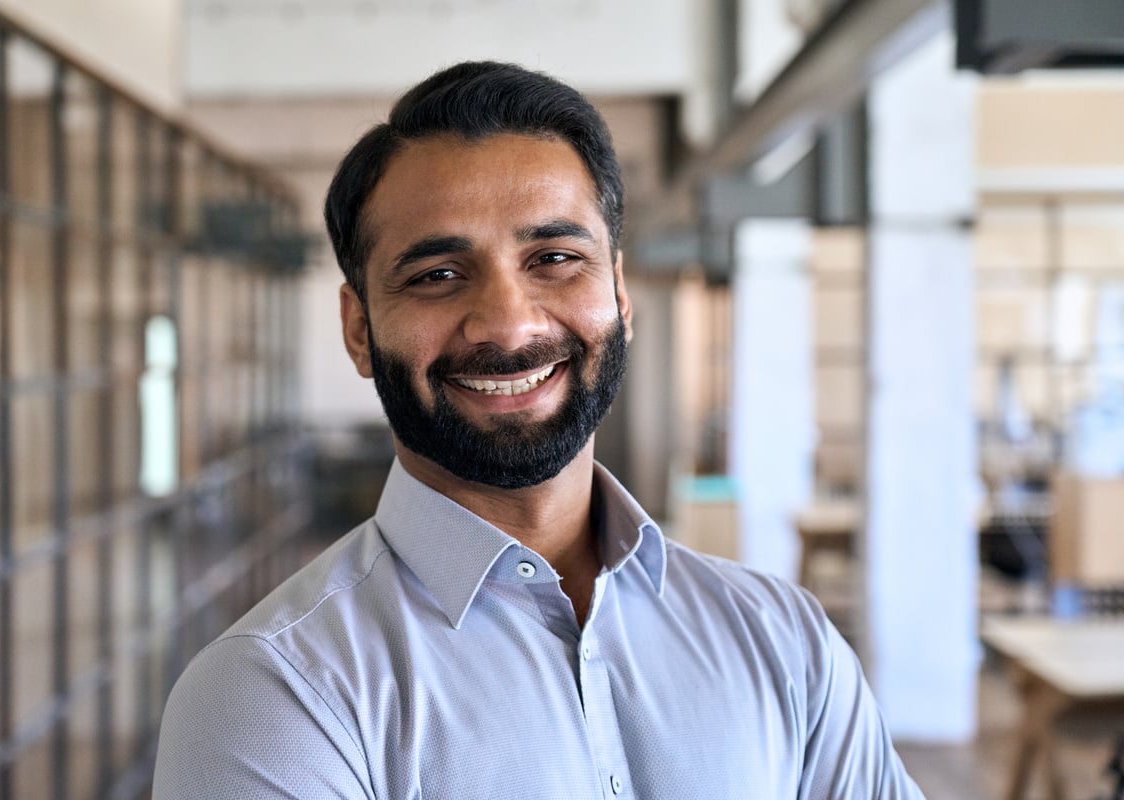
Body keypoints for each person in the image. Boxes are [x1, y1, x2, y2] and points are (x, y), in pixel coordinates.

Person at [153, 61, 923, 799]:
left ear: (619, 291)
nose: (508, 324)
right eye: (437, 276)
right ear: (359, 328)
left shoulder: (783, 642)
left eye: (554, 257)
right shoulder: (275, 695)